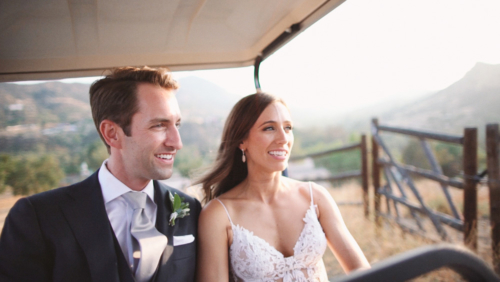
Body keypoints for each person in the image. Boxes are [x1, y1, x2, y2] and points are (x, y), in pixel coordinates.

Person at [0, 66, 201, 282]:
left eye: (176, 125)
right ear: (112, 134)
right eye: (159, 125)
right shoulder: (36, 217)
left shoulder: (190, 209)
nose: (176, 142)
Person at [196, 93, 370, 281]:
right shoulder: (218, 215)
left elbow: (361, 270)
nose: (283, 138)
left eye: (288, 128)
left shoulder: (314, 197)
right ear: (241, 141)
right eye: (269, 128)